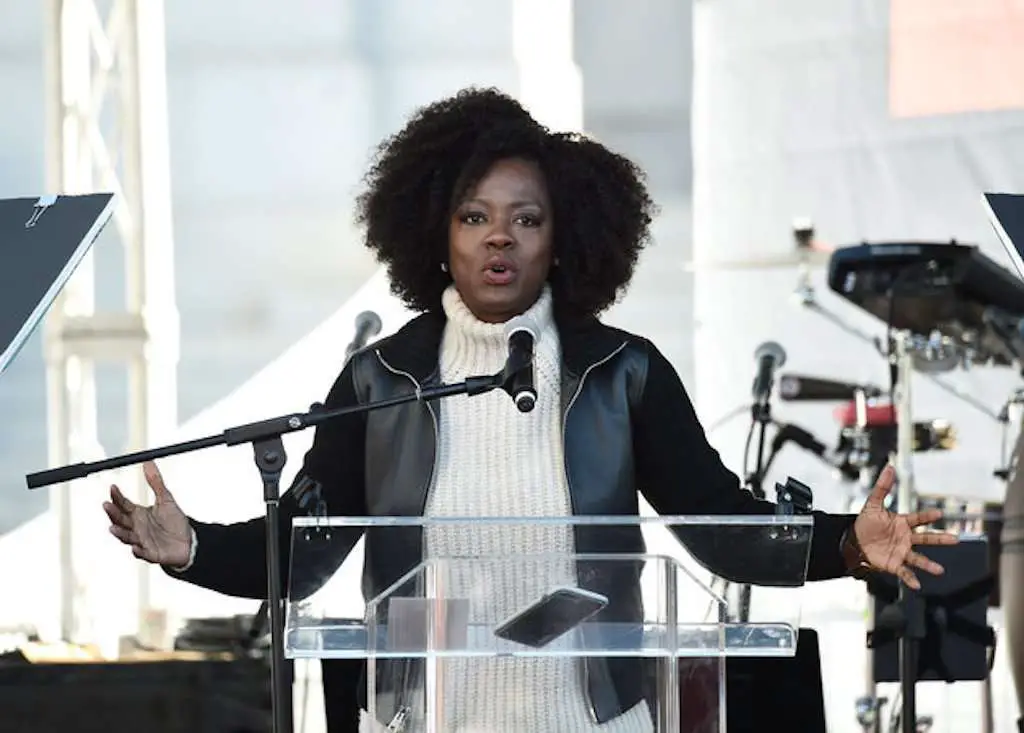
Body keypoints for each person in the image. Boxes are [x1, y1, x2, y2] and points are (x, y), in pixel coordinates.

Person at [103, 87, 956, 732]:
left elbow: (720, 523)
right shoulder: (382, 378)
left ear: (566, 238)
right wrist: (193, 548)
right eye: (474, 216)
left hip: (594, 719)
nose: (497, 237)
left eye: (526, 218)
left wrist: (848, 543)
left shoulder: (623, 373)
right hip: (425, 720)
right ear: (436, 233)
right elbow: (302, 553)